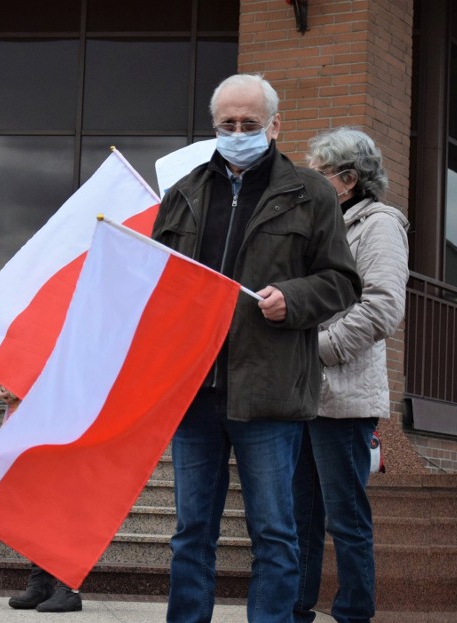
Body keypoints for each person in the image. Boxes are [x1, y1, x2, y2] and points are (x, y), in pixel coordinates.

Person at [151, 73, 362, 623]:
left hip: (269, 393)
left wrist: (291, 299)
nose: (238, 132)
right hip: (195, 390)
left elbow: (342, 282)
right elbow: (155, 282)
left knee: (275, 532)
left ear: (275, 124)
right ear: (214, 125)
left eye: (250, 124)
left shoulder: (311, 193)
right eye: (228, 124)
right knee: (190, 531)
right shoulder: (184, 193)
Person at [292, 128, 409, 623]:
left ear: (347, 179)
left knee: (345, 520)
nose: (309, 180)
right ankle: (294, 612)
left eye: (318, 171)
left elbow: (383, 307)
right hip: (300, 396)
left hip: (342, 400)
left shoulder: (379, 224)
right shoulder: (322, 222)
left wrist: (317, 350)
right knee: (299, 520)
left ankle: (353, 614)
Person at [0, 381, 83, 613]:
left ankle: (70, 587)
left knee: (62, 508)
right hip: (27, 431)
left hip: (61, 424)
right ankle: (42, 583)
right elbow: (14, 367)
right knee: (40, 511)